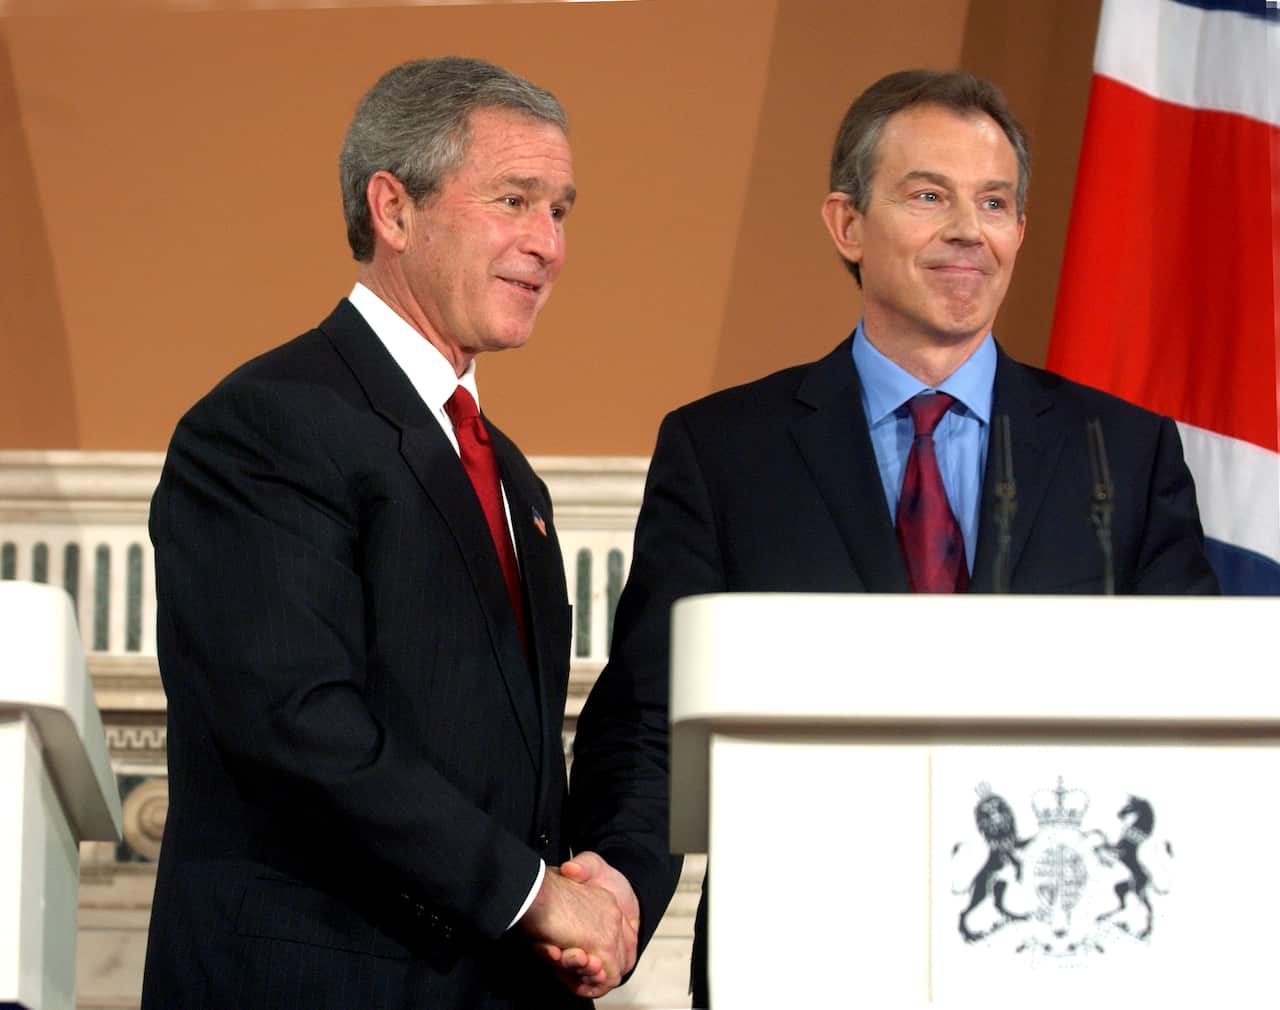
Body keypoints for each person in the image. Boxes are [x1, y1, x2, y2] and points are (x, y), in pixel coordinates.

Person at [568, 69, 1219, 1008]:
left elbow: (1191, 708)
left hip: (1058, 958)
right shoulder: (725, 451)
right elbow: (650, 719)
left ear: (1020, 231)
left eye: (995, 203)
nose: (969, 230)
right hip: (802, 951)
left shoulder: (1120, 450)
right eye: (928, 195)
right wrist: (622, 886)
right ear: (846, 224)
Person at [143, 56, 637, 1009]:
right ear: (394, 209)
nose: (547, 243)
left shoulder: (513, 478)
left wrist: (594, 889)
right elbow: (297, 725)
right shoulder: (266, 424)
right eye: (514, 200)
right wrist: (532, 898)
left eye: (561, 211)